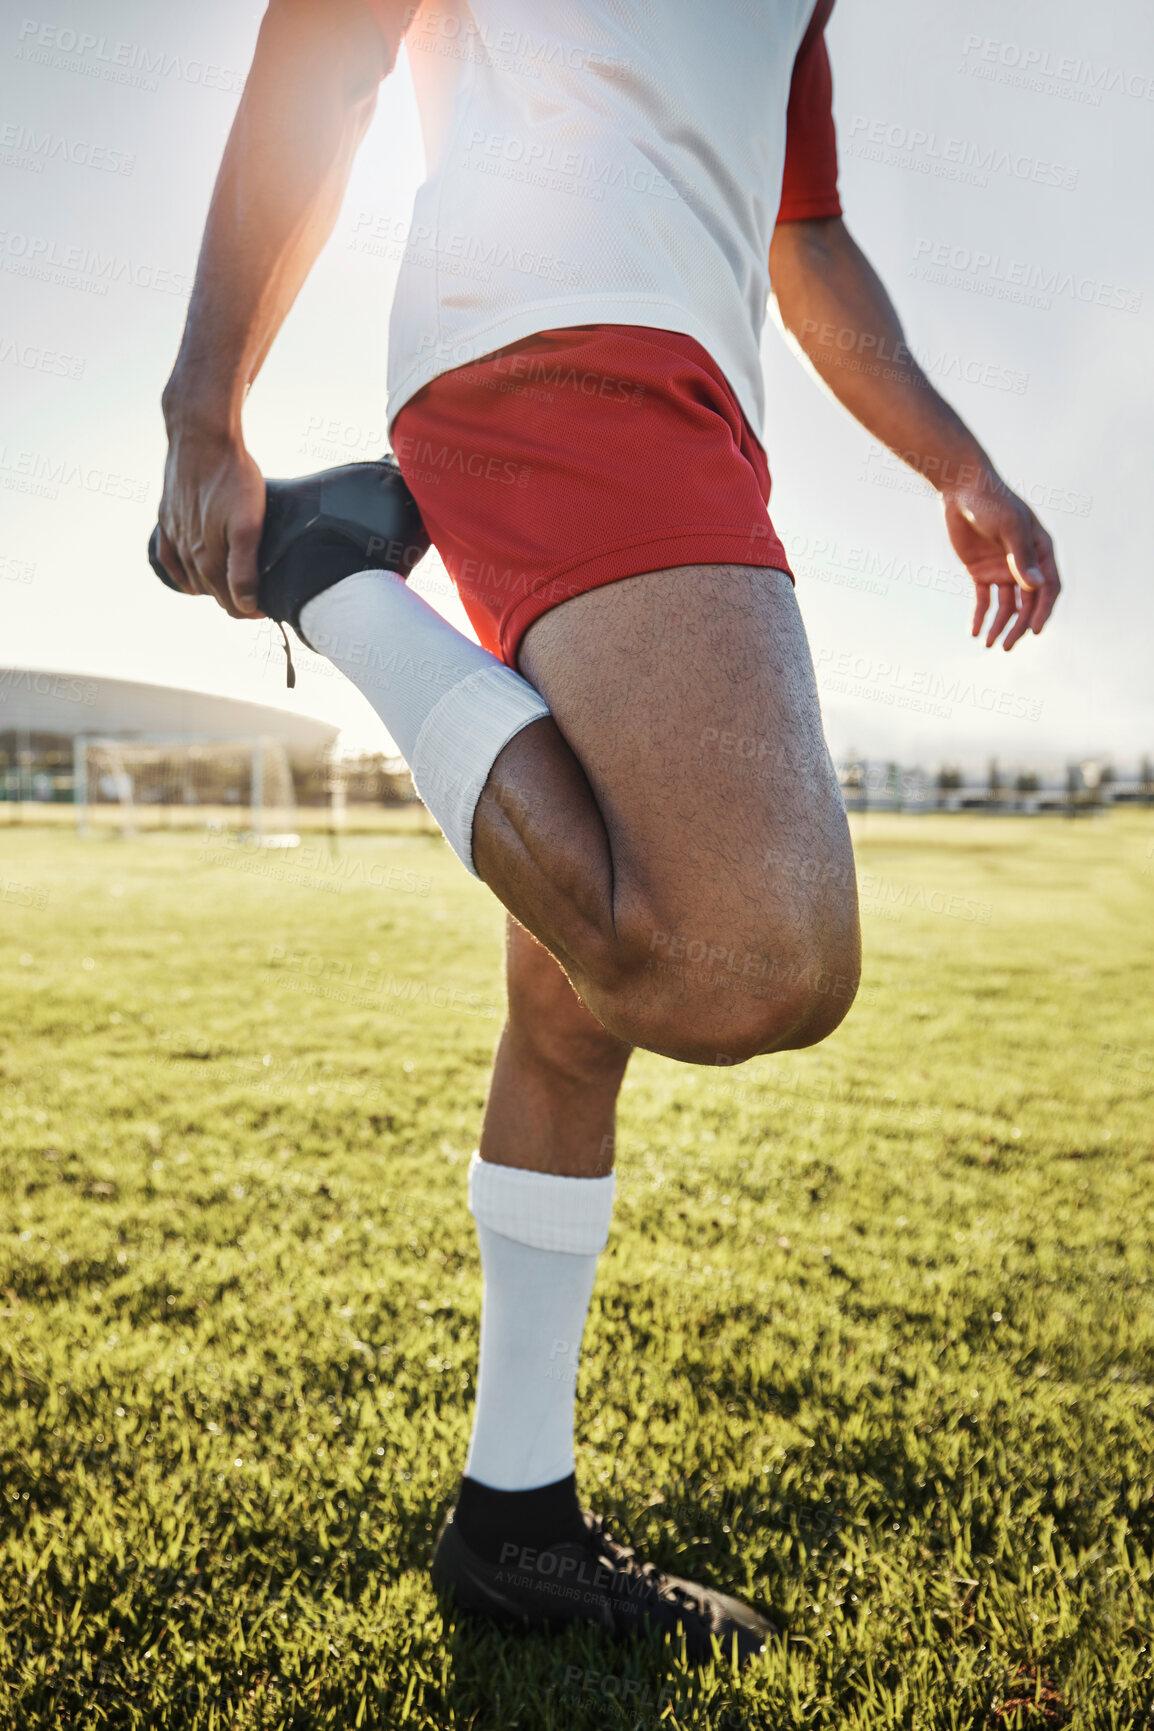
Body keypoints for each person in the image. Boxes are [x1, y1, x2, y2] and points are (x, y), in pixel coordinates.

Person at [155, 0, 1062, 1665]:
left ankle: (515, 1521)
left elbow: (806, 238)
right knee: (746, 963)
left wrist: (956, 461)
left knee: (572, 1010)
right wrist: (206, 399)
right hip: (561, 340)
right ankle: (331, 575)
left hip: (680, 380)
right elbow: (332, 43)